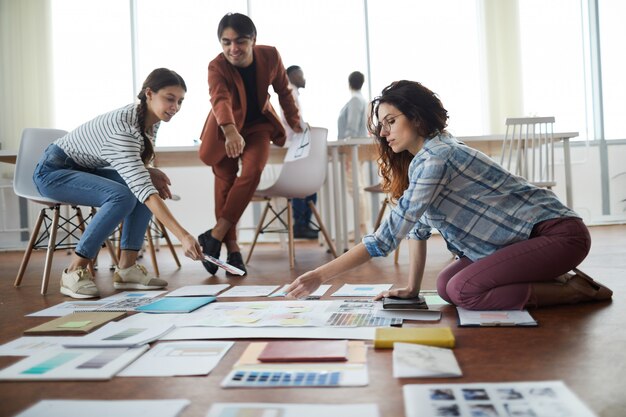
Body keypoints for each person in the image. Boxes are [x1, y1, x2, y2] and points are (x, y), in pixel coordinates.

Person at [287, 80, 613, 310]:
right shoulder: (423, 159)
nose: (384, 133)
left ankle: (573, 291)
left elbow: (386, 239)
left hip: (558, 236)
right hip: (525, 240)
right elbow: (416, 229)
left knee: (464, 291)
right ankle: (549, 277)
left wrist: (319, 275)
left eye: (391, 121)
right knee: (445, 286)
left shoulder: (437, 156)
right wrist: (412, 289)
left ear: (415, 118)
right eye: (381, 125)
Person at [33, 68, 204, 299]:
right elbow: (143, 189)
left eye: (180, 101)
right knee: (124, 195)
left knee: (137, 189)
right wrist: (183, 236)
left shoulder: (150, 119)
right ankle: (74, 270)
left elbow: (138, 175)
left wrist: (148, 171)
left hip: (85, 169)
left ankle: (127, 270)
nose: (175, 107)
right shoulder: (123, 129)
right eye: (170, 99)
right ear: (149, 93)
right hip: (54, 172)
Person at [198, 13, 303, 276]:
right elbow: (219, 99)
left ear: (253, 40)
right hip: (225, 128)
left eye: (240, 41)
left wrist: (295, 120)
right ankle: (233, 250)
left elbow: (283, 91)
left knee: (253, 170)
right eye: (226, 42)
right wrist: (231, 130)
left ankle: (215, 235)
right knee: (225, 183)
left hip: (258, 126)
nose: (233, 48)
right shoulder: (216, 67)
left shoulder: (270, 56)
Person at [283, 65, 317, 240]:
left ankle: (302, 224)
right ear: (293, 75)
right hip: (294, 145)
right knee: (304, 185)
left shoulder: (292, 93)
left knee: (307, 185)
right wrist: (306, 129)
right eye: (301, 75)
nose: (304, 78)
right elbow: (292, 120)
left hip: (294, 144)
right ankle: (300, 225)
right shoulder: (289, 93)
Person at [338, 71, 370, 237]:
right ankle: (362, 226)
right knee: (358, 187)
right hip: (356, 148)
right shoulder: (360, 99)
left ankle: (361, 228)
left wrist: (346, 148)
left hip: (351, 148)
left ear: (349, 83)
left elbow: (350, 127)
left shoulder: (356, 100)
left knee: (355, 188)